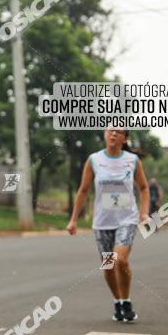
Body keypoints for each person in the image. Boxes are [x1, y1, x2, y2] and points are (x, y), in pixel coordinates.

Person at [66, 129, 150, 322]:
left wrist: (144, 212)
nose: (113, 134)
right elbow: (83, 190)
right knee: (108, 266)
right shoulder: (94, 160)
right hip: (102, 223)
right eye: (110, 130)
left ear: (124, 138)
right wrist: (73, 219)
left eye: (119, 132)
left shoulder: (132, 160)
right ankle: (117, 301)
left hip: (127, 219)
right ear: (105, 134)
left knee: (120, 260)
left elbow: (144, 188)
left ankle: (126, 299)